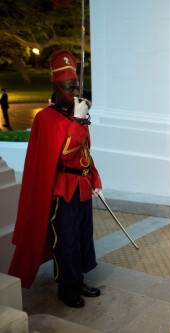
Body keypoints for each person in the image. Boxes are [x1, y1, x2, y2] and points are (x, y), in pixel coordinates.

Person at [9, 50, 102, 308]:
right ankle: (66, 286)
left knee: (83, 237)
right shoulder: (46, 118)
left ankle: (79, 279)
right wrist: (79, 121)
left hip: (82, 187)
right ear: (57, 88)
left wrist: (96, 181)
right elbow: (66, 153)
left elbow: (85, 155)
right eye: (70, 88)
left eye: (77, 87)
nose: (76, 93)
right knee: (66, 239)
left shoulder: (75, 116)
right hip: (62, 190)